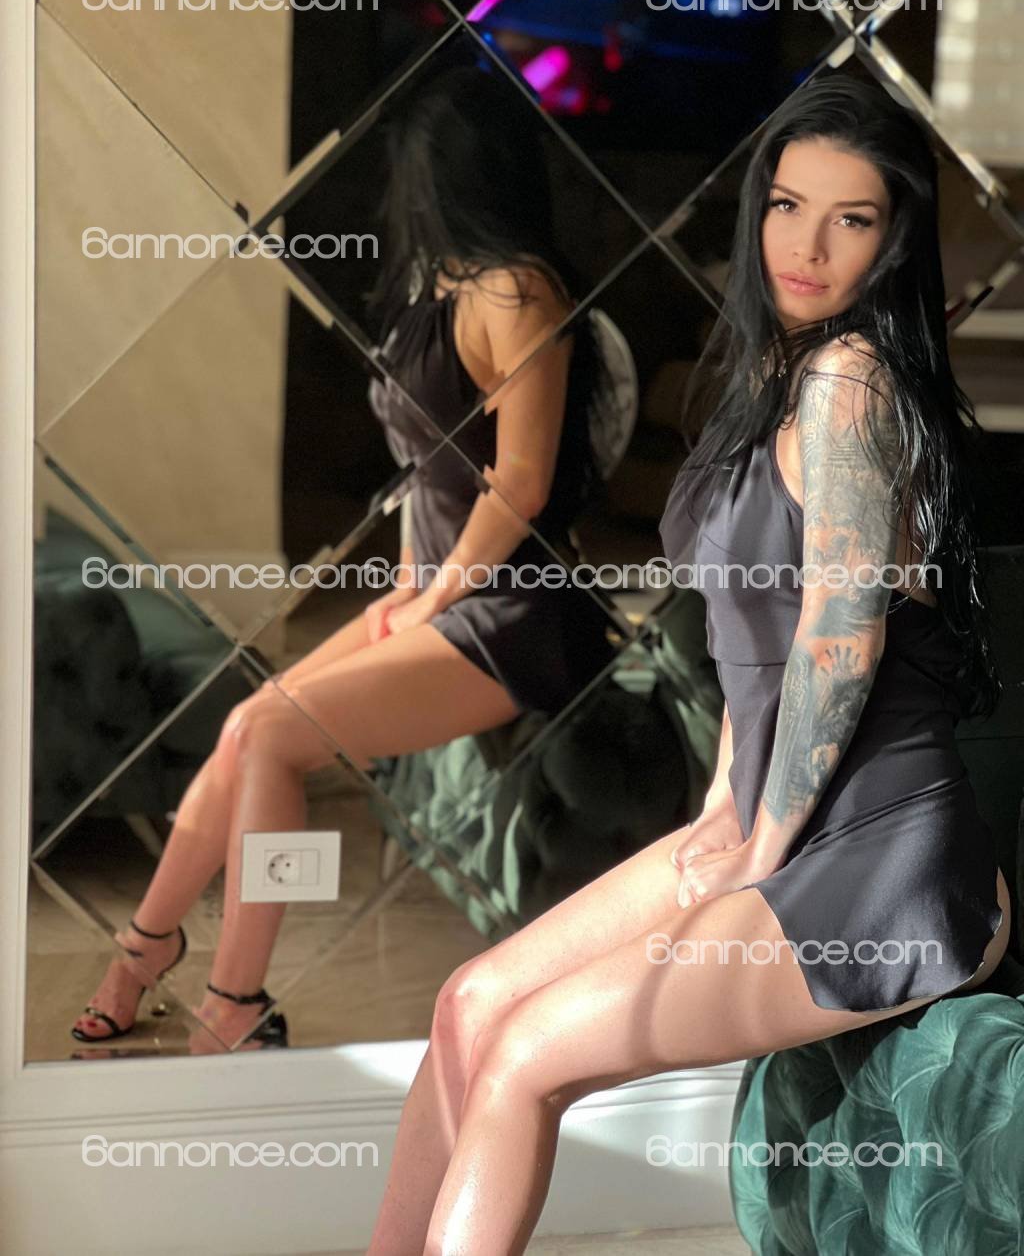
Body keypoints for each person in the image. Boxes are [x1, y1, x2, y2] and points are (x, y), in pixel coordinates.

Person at [364, 74, 1012, 1255]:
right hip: (775, 818)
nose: (806, 246)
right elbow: (746, 635)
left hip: (880, 864)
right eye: (787, 206)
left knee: (521, 1059)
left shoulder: (851, 382)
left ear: (892, 239)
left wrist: (758, 850)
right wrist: (723, 806)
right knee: (468, 1007)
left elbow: (838, 636)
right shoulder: (769, 377)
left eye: (851, 219)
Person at [69, 63, 617, 1053]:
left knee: (275, 737)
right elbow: (422, 468)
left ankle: (236, 1002)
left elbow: (521, 484)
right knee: (246, 727)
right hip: (442, 597)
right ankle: (146, 949)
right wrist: (405, 588)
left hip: (516, 616)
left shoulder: (519, 292)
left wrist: (432, 598)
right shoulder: (435, 284)